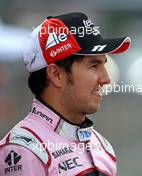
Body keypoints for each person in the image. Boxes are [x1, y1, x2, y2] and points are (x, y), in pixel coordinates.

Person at [0, 12, 131, 176]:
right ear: (56, 75)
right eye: (93, 66)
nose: (106, 79)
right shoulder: (23, 151)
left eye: (104, 64)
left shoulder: (101, 144)